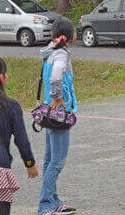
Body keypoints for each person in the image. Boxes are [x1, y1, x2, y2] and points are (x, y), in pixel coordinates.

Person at [0, 53, 38, 215]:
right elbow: (21, 140)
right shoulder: (11, 106)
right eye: (5, 73)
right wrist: (30, 163)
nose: (7, 76)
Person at [38, 17, 78, 215]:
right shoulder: (61, 54)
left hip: (49, 112)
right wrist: (58, 97)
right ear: (69, 35)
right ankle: (45, 204)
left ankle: (53, 201)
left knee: (49, 160)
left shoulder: (51, 51)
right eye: (74, 30)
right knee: (57, 161)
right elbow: (56, 76)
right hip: (59, 114)